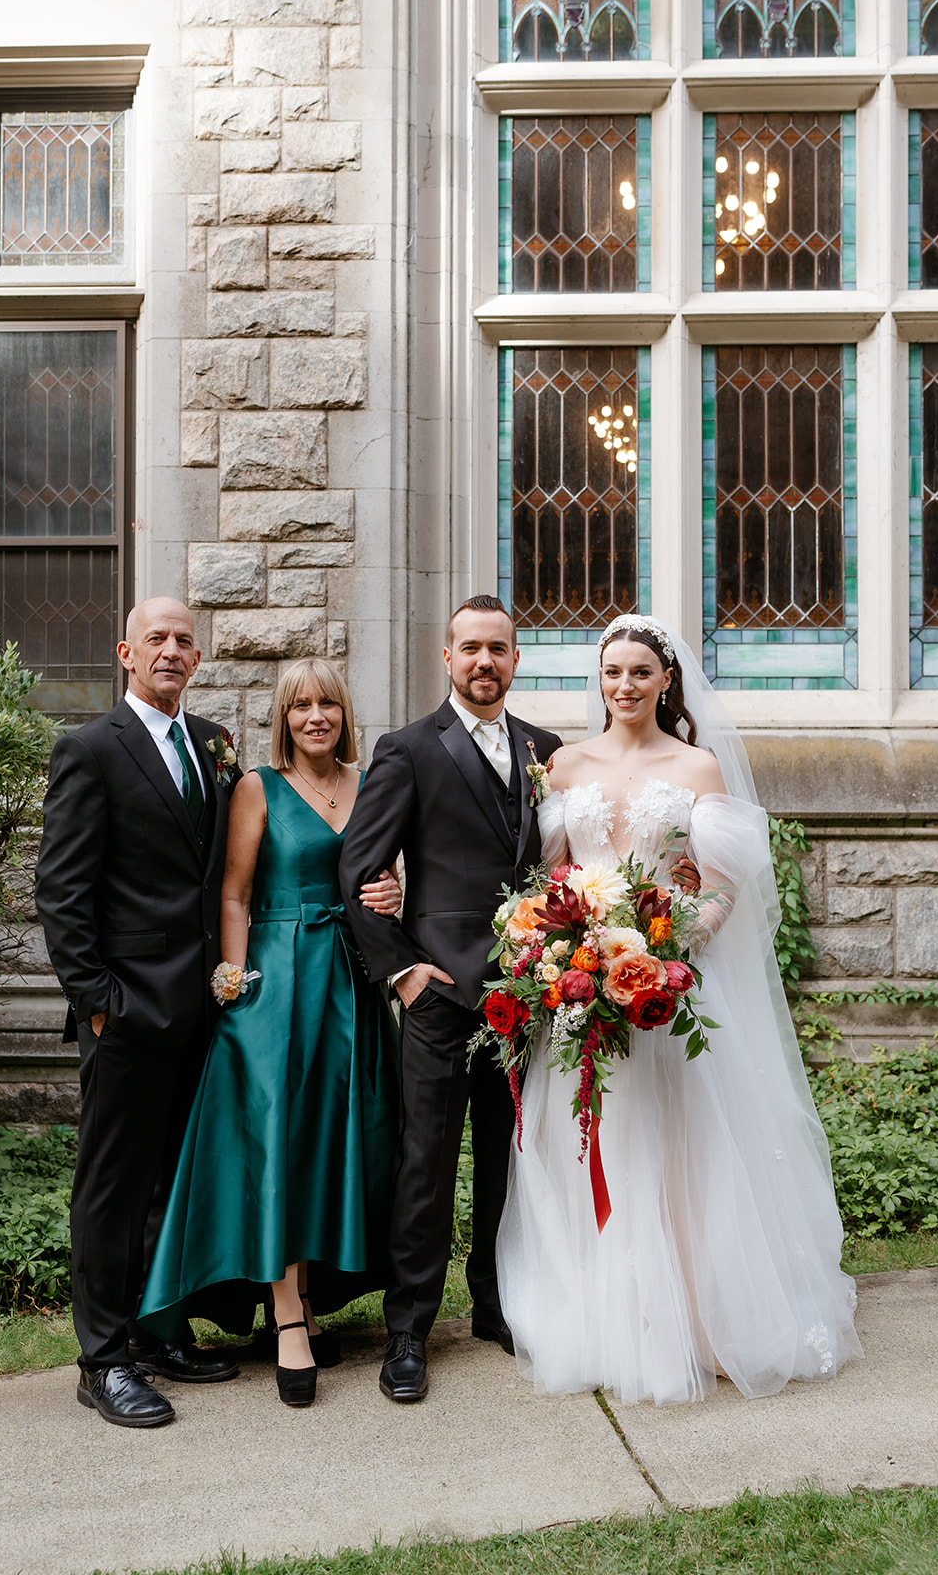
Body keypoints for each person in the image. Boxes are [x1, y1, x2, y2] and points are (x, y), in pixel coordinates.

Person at [496, 614, 863, 1405]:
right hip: (585, 993)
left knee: (683, 1150)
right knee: (598, 1146)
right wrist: (560, 949)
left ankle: (702, 1319)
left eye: (638, 672)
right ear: (596, 682)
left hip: (666, 989)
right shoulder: (562, 764)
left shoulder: (696, 767)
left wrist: (675, 946)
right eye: (611, 672)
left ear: (667, 681)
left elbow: (724, 880)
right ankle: (612, 1318)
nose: (623, 685)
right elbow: (548, 880)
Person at [137, 658, 402, 1408]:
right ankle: (285, 1312)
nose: (313, 716)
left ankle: (312, 1296)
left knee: (329, 1139)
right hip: (275, 982)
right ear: (282, 720)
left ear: (343, 712)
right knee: (278, 1139)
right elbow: (234, 891)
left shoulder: (369, 783)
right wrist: (232, 980)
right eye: (298, 707)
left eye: (325, 703)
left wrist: (393, 892)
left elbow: (381, 877)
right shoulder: (256, 786)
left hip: (351, 982)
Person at [339, 594, 562, 1403]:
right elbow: (359, 869)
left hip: (524, 1000)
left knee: (510, 1163)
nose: (483, 662)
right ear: (446, 657)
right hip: (437, 1000)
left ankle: (496, 1308)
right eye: (469, 648)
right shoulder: (407, 749)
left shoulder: (545, 749)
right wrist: (400, 971)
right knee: (425, 1168)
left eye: (497, 649)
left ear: (514, 658)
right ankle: (408, 1331)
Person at [34, 597, 242, 1428]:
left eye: (183, 640)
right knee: (113, 1189)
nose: (170, 650)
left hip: (201, 1010)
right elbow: (61, 889)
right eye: (155, 638)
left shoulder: (212, 744)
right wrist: (96, 1004)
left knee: (170, 1181)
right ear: (125, 652)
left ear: (197, 658)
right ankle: (104, 1359)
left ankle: (157, 1332)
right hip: (126, 1013)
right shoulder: (90, 750)